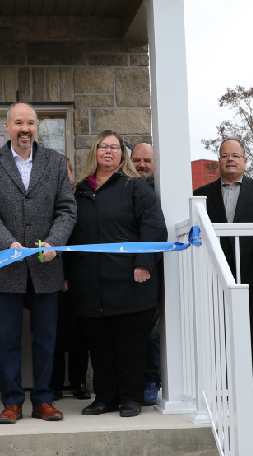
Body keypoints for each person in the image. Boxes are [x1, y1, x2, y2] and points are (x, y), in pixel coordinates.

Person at [0, 102, 77, 425]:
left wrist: (54, 242)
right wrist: (9, 244)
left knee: (46, 337)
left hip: (46, 265)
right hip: (7, 266)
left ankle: (44, 399)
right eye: (18, 123)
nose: (25, 129)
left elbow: (67, 209)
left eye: (30, 123)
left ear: (37, 128)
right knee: (7, 338)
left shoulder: (55, 162)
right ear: (7, 127)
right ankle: (12, 401)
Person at [68, 132, 167, 417]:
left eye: (115, 148)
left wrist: (144, 262)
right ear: (94, 152)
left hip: (129, 283)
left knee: (130, 345)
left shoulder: (135, 187)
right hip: (90, 285)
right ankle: (105, 398)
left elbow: (154, 226)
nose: (109, 152)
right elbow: (68, 232)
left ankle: (130, 399)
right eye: (103, 147)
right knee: (99, 346)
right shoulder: (79, 191)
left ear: (122, 156)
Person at [194, 138, 253, 403]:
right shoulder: (202, 194)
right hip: (216, 274)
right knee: (219, 329)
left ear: (245, 160)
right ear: (218, 162)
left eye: (235, 155)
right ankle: (223, 384)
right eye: (224, 155)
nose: (230, 159)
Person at [51, 155, 91, 402]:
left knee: (81, 335)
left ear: (71, 173)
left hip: (81, 276)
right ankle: (54, 385)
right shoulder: (47, 201)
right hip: (54, 275)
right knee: (53, 334)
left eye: (64, 171)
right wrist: (62, 274)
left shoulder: (82, 199)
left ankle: (79, 383)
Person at [130, 142, 162, 405]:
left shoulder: (162, 191)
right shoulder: (124, 188)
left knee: (152, 331)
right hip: (126, 272)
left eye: (147, 161)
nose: (141, 165)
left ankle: (151, 381)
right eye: (137, 160)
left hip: (156, 270)